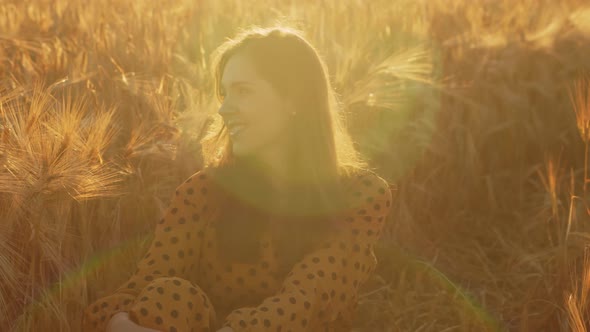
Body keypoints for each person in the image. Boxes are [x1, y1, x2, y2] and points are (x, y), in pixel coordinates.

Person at [82, 26, 393, 332]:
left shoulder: (362, 195)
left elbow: (303, 302)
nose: (224, 109)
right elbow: (141, 287)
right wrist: (118, 323)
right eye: (224, 94)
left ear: (294, 101)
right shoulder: (202, 192)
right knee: (168, 295)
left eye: (243, 91)